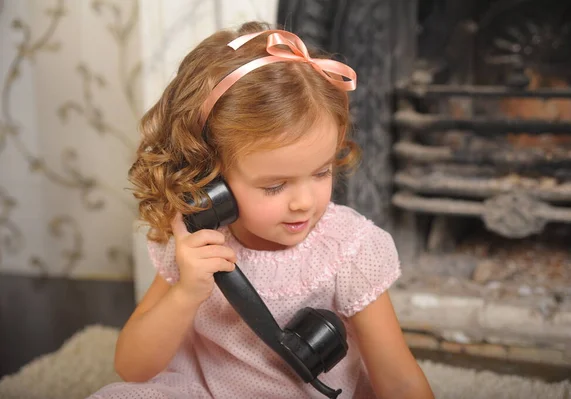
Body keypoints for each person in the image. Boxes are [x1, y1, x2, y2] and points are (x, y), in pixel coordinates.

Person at [88, 21, 434, 399]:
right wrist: (186, 292)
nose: (303, 201)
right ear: (210, 177)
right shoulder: (196, 243)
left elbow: (399, 381)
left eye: (322, 172)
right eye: (274, 185)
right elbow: (132, 367)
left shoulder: (348, 250)